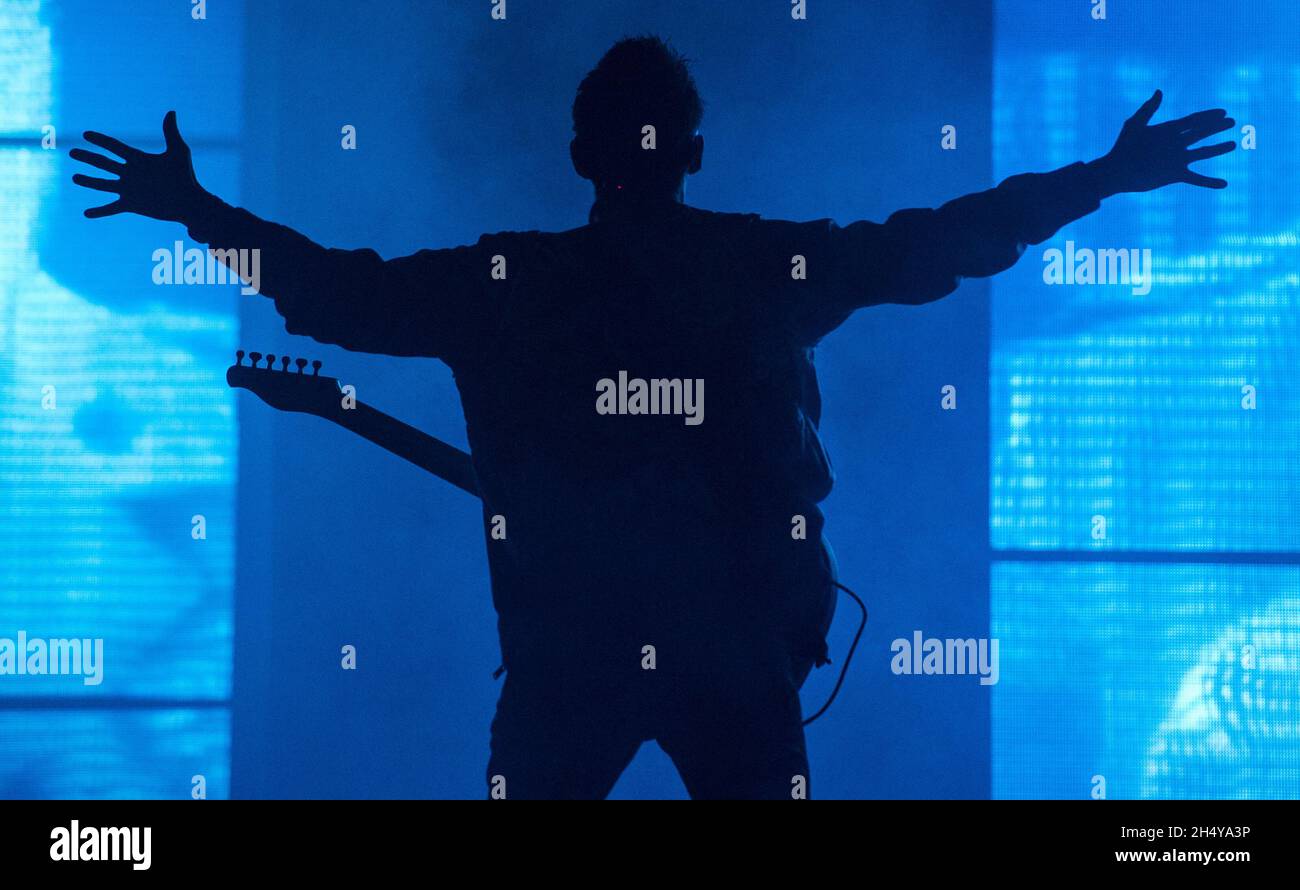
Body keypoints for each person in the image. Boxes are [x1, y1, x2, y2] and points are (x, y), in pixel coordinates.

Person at [71, 36, 1234, 799]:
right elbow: (939, 240)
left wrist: (191, 206)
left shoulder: (510, 283)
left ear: (579, 154)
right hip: (735, 649)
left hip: (568, 656)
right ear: (693, 151)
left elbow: (332, 290)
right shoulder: (759, 267)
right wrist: (1103, 175)